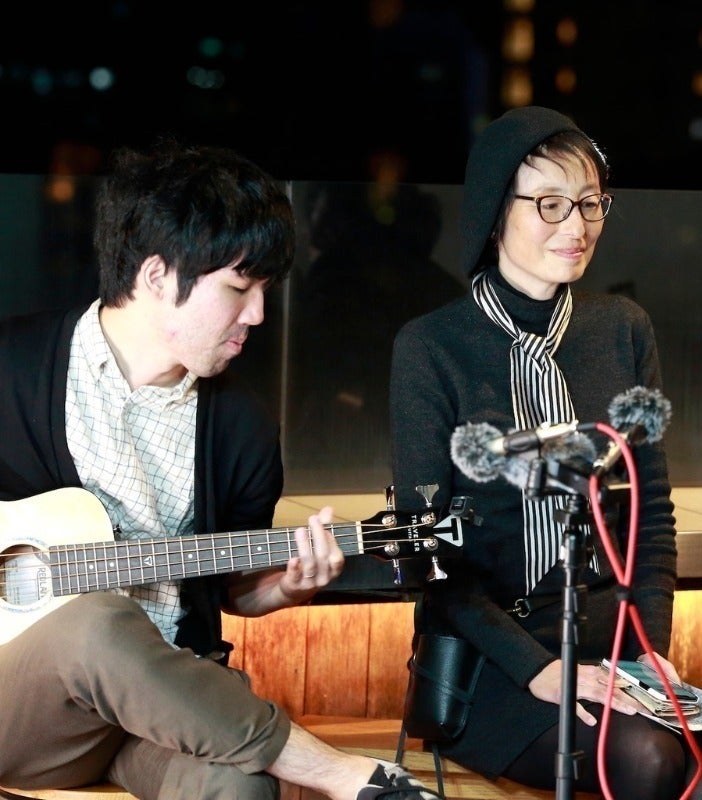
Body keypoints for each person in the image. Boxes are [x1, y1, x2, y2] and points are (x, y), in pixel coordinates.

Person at [0, 141, 437, 800]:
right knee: (96, 621)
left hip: (165, 703)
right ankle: (342, 775)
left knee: (238, 783)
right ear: (156, 275)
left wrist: (286, 588)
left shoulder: (242, 426)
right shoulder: (11, 364)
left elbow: (233, 592)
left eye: (264, 290)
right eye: (238, 288)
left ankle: (302, 765)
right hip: (27, 711)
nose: (256, 314)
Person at [388, 106, 702, 799]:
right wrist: (540, 670)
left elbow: (651, 515)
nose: (576, 227)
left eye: (589, 203)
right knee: (648, 763)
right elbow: (427, 559)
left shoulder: (622, 329)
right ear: (495, 213)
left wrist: (649, 653)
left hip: (612, 651)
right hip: (494, 660)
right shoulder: (432, 346)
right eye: (549, 204)